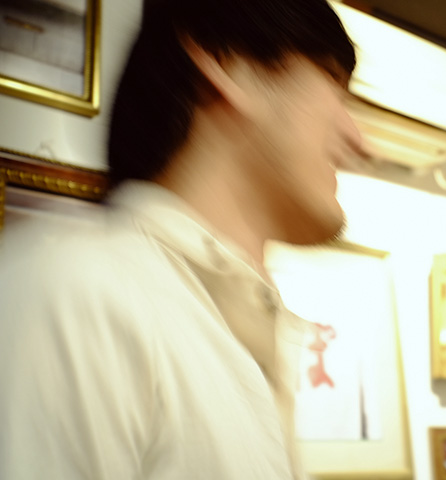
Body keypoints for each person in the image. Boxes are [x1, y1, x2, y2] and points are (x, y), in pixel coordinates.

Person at [0, 0, 365, 478]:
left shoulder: (230, 332)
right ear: (226, 60)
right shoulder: (79, 295)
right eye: (333, 83)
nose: (358, 139)